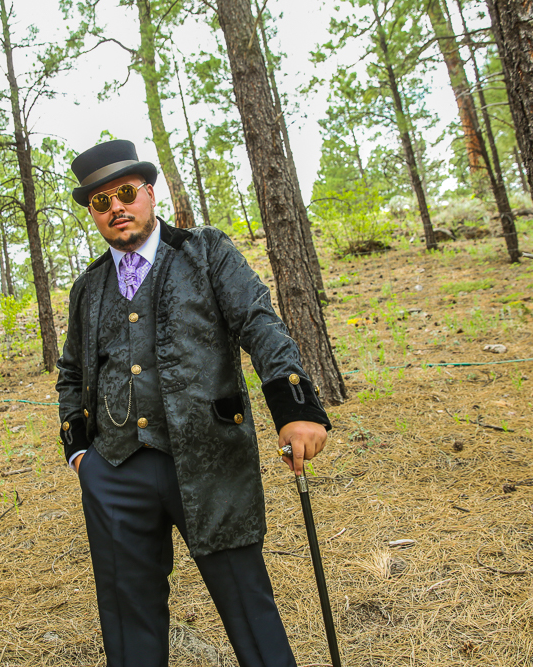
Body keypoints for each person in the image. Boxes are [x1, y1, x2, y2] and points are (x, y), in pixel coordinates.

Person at [56, 139, 332, 667]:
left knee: (249, 608)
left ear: (149, 193)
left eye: (126, 193)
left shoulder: (206, 252)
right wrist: (80, 454)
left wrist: (296, 408)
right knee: (128, 623)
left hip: (211, 464)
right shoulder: (87, 288)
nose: (116, 207)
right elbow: (71, 373)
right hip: (114, 472)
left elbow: (259, 323)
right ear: (92, 212)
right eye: (101, 201)